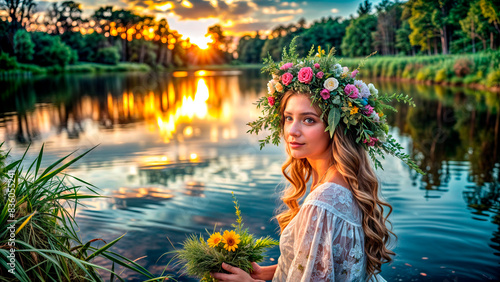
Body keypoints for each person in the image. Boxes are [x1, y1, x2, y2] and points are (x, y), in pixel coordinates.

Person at [211, 38, 423, 281]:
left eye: (309, 119)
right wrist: (263, 273)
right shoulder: (342, 180)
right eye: (288, 117)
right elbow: (320, 265)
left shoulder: (324, 200)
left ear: (335, 128)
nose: (292, 130)